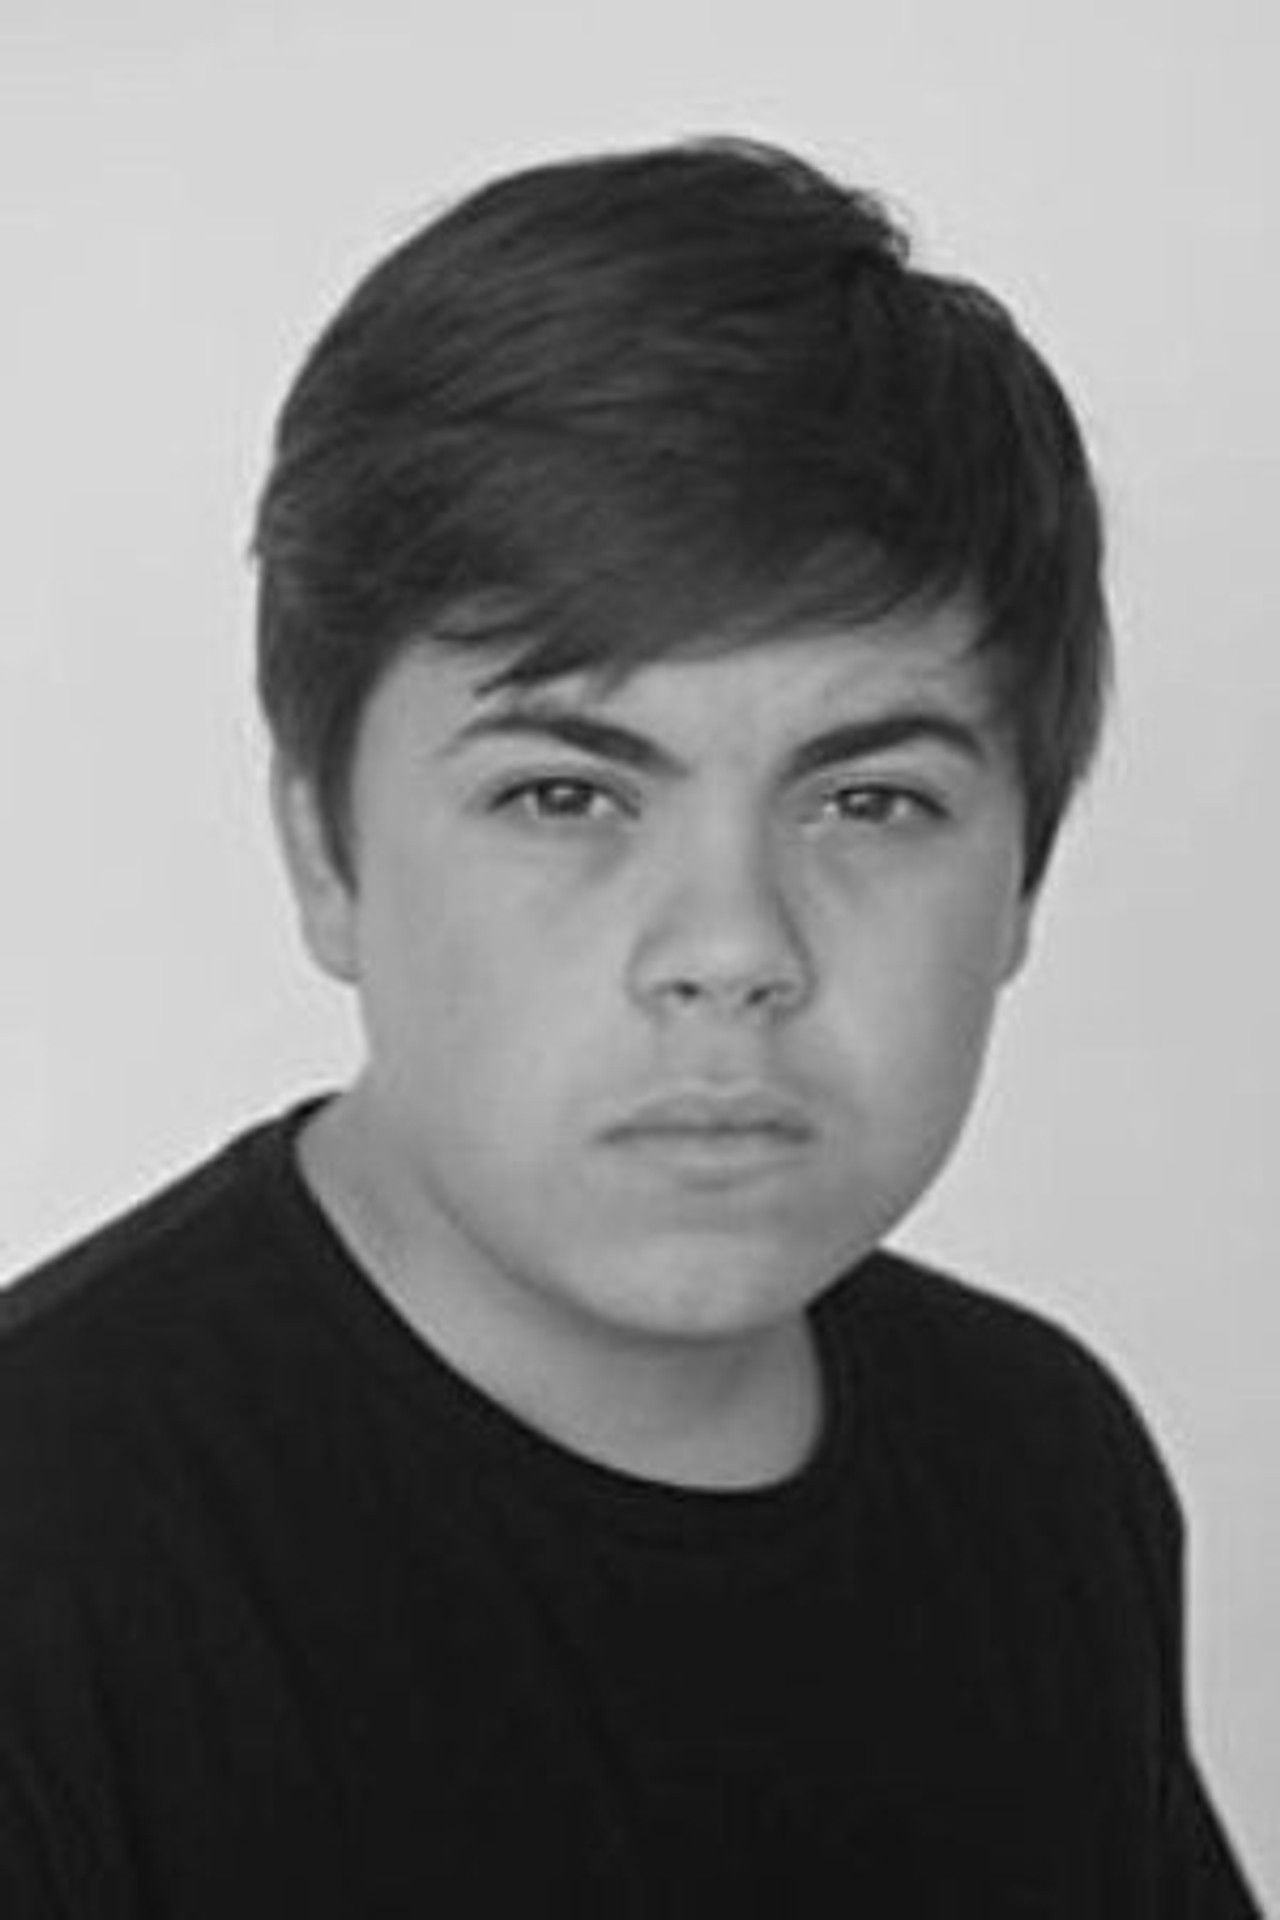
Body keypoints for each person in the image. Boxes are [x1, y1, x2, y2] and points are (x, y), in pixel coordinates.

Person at [0, 135, 1261, 1916]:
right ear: (325, 852)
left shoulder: (1041, 1467)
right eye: (565, 795)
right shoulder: (52, 1574)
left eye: (872, 802)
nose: (732, 949)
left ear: (1023, 879)